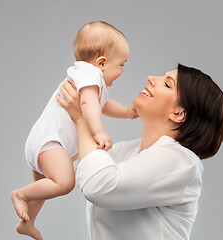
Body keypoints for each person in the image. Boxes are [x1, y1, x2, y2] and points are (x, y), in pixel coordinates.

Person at [57, 63, 223, 240]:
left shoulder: (182, 161)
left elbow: (97, 185)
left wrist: (81, 116)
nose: (151, 78)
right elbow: (71, 169)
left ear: (178, 114)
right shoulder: (128, 151)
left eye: (167, 84)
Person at [11, 21, 137, 240]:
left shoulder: (86, 77)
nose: (122, 71)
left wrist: (126, 112)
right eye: (122, 65)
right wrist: (98, 132)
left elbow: (102, 105)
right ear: (102, 63)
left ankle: (27, 223)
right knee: (65, 182)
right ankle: (19, 195)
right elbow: (88, 105)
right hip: (50, 143)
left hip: (41, 140)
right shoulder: (91, 75)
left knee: (43, 188)